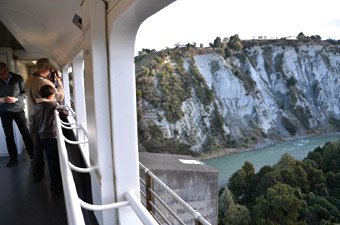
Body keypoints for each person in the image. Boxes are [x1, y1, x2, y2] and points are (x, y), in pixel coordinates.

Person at [25, 58, 64, 181]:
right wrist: (59, 81)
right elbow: (59, 95)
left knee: (37, 149)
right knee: (51, 153)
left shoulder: (29, 80)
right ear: (46, 68)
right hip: (46, 122)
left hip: (33, 116)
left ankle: (37, 175)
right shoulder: (45, 83)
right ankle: (56, 182)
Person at [0, 62, 34, 167]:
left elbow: (25, 93)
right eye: (0, 74)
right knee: (8, 136)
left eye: (3, 73)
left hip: (18, 110)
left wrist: (15, 99)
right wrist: (1, 99)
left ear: (7, 69)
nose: (2, 76)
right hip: (4, 111)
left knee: (25, 132)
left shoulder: (18, 78)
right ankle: (13, 158)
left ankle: (33, 155)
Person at [35, 85, 67, 194]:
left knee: (48, 159)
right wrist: (57, 104)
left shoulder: (37, 105)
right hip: (51, 136)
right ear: (51, 95)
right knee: (54, 162)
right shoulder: (52, 105)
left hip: (40, 134)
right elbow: (64, 114)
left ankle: (39, 177)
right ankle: (56, 187)